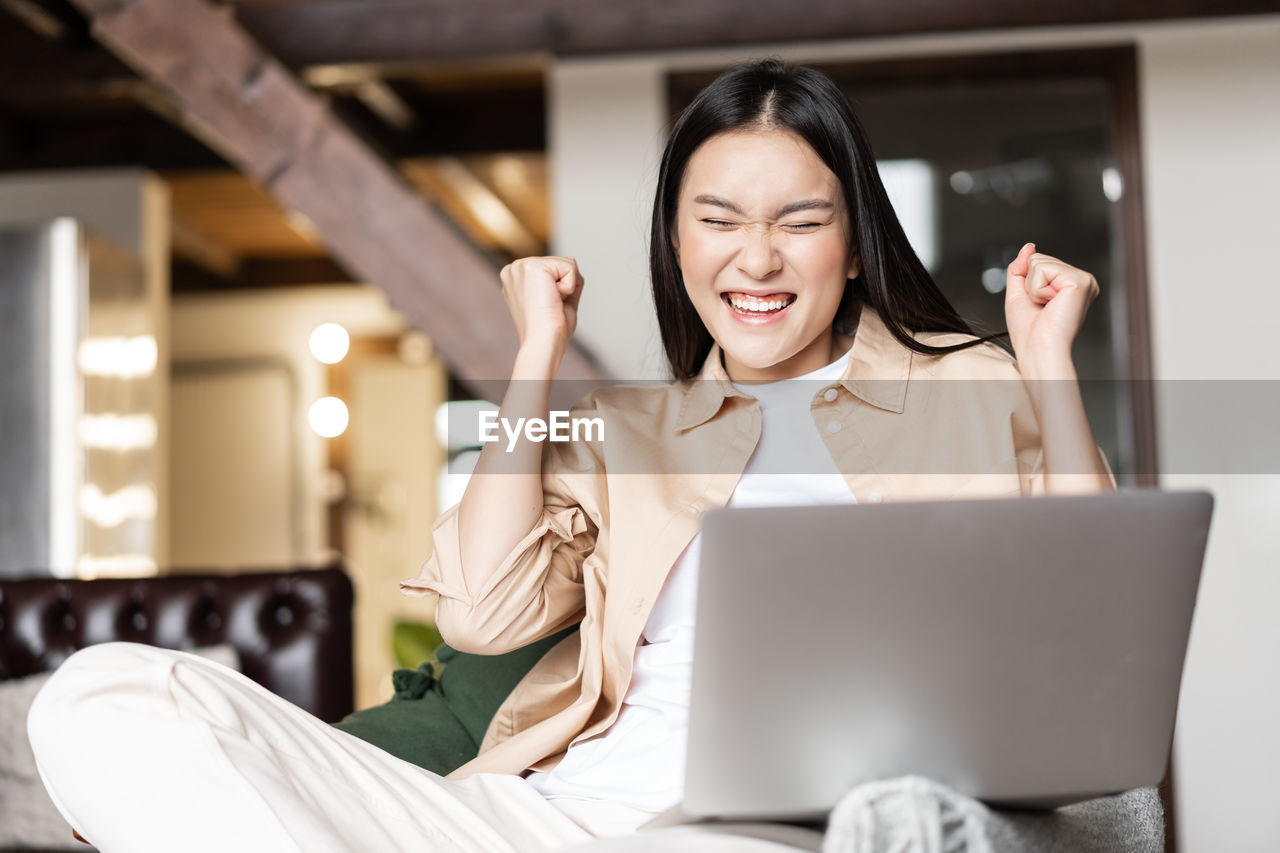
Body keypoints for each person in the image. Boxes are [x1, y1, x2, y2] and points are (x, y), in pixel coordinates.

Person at [27, 59, 1112, 852]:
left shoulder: (965, 383)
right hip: (525, 815)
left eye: (800, 220)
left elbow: (1088, 609)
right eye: (718, 219)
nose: (756, 257)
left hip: (747, 832)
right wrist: (533, 360)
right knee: (102, 694)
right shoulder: (630, 431)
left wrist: (1046, 366)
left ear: (851, 236)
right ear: (675, 238)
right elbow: (481, 615)